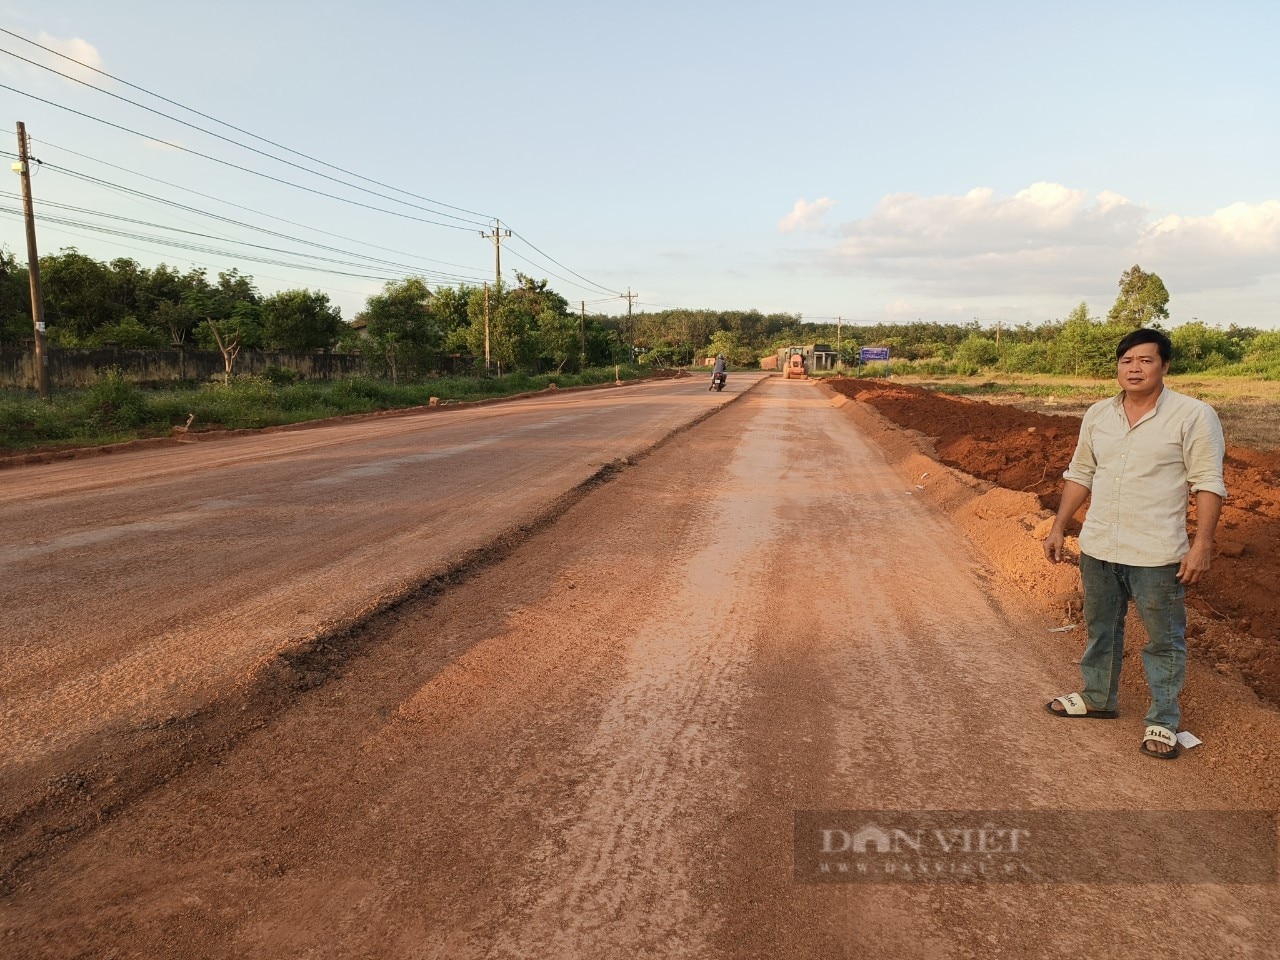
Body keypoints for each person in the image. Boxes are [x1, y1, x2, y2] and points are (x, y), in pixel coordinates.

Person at [1043, 328, 1226, 760]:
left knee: (1164, 639)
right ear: (1118, 368)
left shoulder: (1194, 415)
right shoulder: (1098, 414)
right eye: (1127, 361)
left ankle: (1162, 720)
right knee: (1101, 627)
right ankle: (1098, 697)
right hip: (1100, 545)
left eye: (1145, 360)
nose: (1135, 368)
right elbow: (1080, 472)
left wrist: (1202, 545)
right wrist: (1059, 526)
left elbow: (1208, 482)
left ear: (1165, 366)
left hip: (1157, 552)